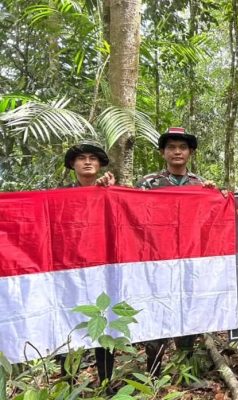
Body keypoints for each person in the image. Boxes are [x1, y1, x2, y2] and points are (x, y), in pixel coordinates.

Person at [136, 127, 218, 376]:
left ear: (190, 152)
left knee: (188, 312)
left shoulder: (200, 185)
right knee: (157, 315)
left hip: (189, 262)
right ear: (163, 152)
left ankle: (185, 370)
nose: (177, 152)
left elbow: (212, 222)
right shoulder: (148, 184)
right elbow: (132, 216)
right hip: (157, 263)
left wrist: (215, 196)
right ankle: (153, 375)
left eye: (182, 147)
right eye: (171, 147)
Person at [59, 140, 115, 387]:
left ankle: (106, 385)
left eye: (93, 158)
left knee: (105, 324)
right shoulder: (59, 197)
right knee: (69, 324)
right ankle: (69, 386)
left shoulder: (111, 193)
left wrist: (109, 193)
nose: (88, 162)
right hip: (70, 273)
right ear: (73, 164)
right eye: (82, 158)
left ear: (100, 165)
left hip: (104, 271)